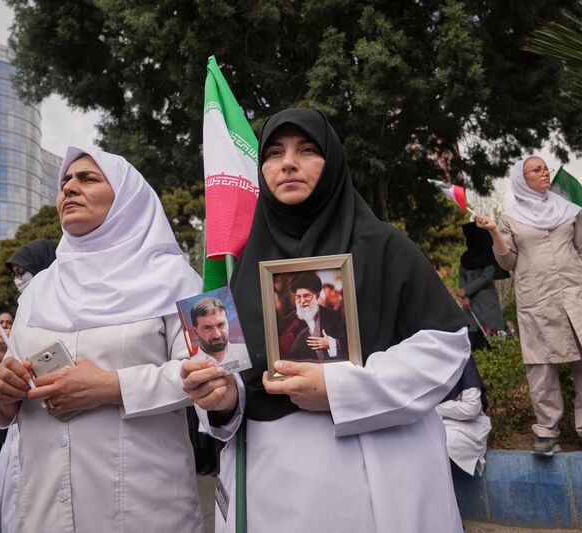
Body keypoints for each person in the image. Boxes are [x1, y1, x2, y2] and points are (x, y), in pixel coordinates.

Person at [183, 108, 470, 532]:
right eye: (275, 152)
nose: (288, 163)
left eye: (307, 150)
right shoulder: (243, 268)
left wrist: (339, 390)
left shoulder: (385, 247)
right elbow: (237, 379)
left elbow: (445, 349)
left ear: (332, 161)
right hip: (271, 489)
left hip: (380, 475)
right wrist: (221, 399)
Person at [0, 146, 204, 532]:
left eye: (88, 179)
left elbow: (217, 367)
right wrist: (5, 394)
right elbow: (14, 380)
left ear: (126, 198)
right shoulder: (38, 290)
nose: (69, 188)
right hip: (42, 506)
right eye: (65, 181)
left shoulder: (181, 278)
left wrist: (112, 386)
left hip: (143, 506)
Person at [474, 156, 582, 461]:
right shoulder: (510, 218)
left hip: (576, 294)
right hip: (536, 300)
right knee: (540, 365)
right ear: (521, 178)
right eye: (536, 169)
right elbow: (507, 262)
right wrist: (494, 232)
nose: (545, 173)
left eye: (545, 168)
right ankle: (546, 432)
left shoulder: (568, 210)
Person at [0, 240, 56, 533]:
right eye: (14, 273)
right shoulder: (24, 315)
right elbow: (7, 395)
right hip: (21, 440)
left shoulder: (68, 308)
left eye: (22, 271)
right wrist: (4, 380)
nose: (18, 280)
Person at [436, 356, 491, 477]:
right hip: (432, 422)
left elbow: (471, 407)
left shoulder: (462, 358)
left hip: (465, 425)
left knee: (443, 443)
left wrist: (436, 409)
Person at [277, 271, 348, 362]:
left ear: (317, 295)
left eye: (306, 296)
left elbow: (348, 345)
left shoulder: (334, 316)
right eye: (298, 297)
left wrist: (331, 343)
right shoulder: (288, 322)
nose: (302, 301)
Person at [457, 222, 507, 349]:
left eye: (467, 236)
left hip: (486, 303)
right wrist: (465, 297)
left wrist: (466, 290)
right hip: (470, 305)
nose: (466, 239)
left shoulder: (489, 256)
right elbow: (462, 277)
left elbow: (486, 277)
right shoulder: (465, 258)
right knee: (474, 339)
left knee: (493, 339)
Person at [190, 296, 250, 368]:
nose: (217, 335)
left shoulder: (245, 352)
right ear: (195, 331)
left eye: (221, 325)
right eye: (207, 328)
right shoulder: (193, 365)